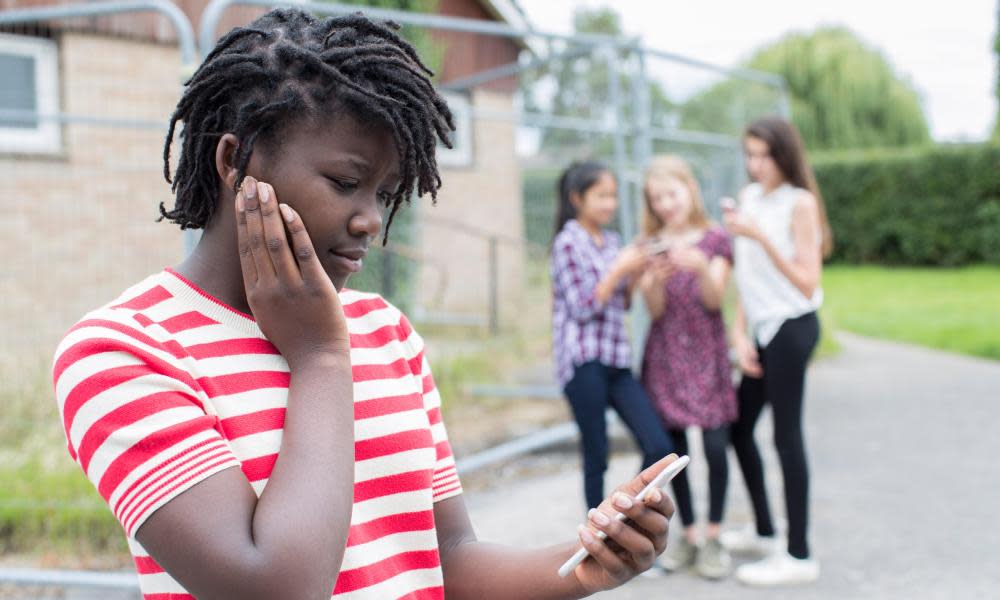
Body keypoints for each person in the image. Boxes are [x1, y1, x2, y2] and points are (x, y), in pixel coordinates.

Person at [51, 10, 678, 599]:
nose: (371, 220)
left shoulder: (386, 332)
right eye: (346, 184)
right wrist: (320, 358)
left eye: (384, 192)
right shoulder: (123, 351)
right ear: (232, 161)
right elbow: (278, 586)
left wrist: (578, 566)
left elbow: (446, 554)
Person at [722, 116, 833, 586]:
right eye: (750, 154)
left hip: (792, 326)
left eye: (765, 155)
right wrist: (740, 335)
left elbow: (807, 282)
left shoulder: (799, 203)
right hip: (763, 331)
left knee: (786, 437)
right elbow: (748, 279)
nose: (756, 164)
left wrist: (760, 237)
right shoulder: (749, 198)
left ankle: (799, 555)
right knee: (739, 428)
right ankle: (766, 530)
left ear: (784, 155)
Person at [550, 160, 676, 512]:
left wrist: (637, 273)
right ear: (577, 198)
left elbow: (620, 303)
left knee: (658, 445)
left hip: (616, 358)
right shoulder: (567, 243)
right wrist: (619, 267)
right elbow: (583, 307)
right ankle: (596, 541)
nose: (610, 203)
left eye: (614, 196)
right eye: (602, 196)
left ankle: (622, 517)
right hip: (583, 361)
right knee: (597, 455)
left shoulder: (613, 241)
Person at [636, 155, 736, 579]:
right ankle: (690, 534)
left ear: (690, 189)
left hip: (707, 351)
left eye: (671, 194)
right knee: (675, 453)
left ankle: (714, 535)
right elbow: (655, 310)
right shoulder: (650, 243)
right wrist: (654, 279)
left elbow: (716, 301)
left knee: (715, 447)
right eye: (656, 198)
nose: (665, 204)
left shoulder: (715, 240)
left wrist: (698, 269)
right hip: (667, 355)